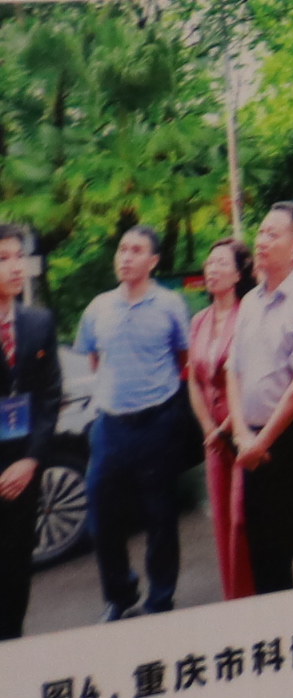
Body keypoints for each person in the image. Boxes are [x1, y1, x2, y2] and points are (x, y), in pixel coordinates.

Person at [75, 224, 197, 619]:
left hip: (157, 423)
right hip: (110, 426)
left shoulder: (170, 305)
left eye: (136, 250)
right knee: (101, 517)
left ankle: (160, 598)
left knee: (160, 516)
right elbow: (95, 360)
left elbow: (182, 359)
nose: (126, 257)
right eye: (122, 249)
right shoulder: (98, 307)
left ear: (153, 261)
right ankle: (120, 595)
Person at [228, 203, 293, 593]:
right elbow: (233, 369)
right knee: (264, 548)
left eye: (272, 234)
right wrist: (242, 434)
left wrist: (262, 443)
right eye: (260, 232)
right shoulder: (249, 303)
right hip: (252, 438)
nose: (261, 240)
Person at [179, 235, 250, 607]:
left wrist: (226, 428)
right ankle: (232, 598)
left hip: (243, 429)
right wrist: (208, 427)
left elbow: (250, 378)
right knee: (222, 521)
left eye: (222, 263)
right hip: (213, 438)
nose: (212, 269)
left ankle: (253, 596)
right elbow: (193, 378)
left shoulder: (248, 315)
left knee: (242, 519)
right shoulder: (199, 321)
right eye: (209, 263)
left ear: (238, 274)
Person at [0, 224, 53, 638]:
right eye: (4, 259)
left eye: (19, 257)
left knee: (17, 567)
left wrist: (31, 459)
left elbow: (50, 396)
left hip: (23, 473)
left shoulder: (38, 321)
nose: (16, 267)